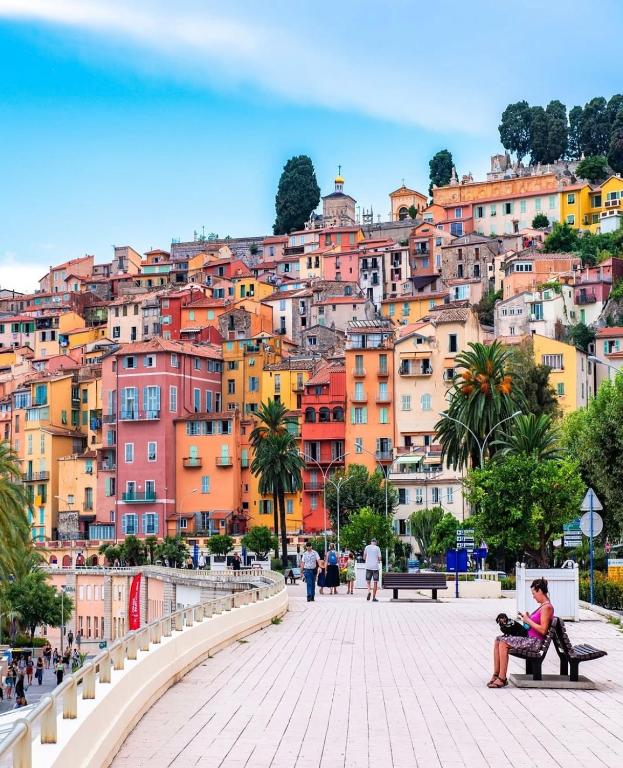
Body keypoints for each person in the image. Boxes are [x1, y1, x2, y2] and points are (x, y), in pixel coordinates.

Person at [489, 577, 554, 689]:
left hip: (535, 642)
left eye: (534, 593)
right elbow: (534, 626)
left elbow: (543, 630)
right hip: (530, 639)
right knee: (498, 639)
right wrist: (528, 619)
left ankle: (502, 678)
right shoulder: (542, 607)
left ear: (539, 591)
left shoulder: (547, 607)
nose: (533, 596)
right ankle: (496, 674)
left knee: (503, 642)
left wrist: (528, 621)